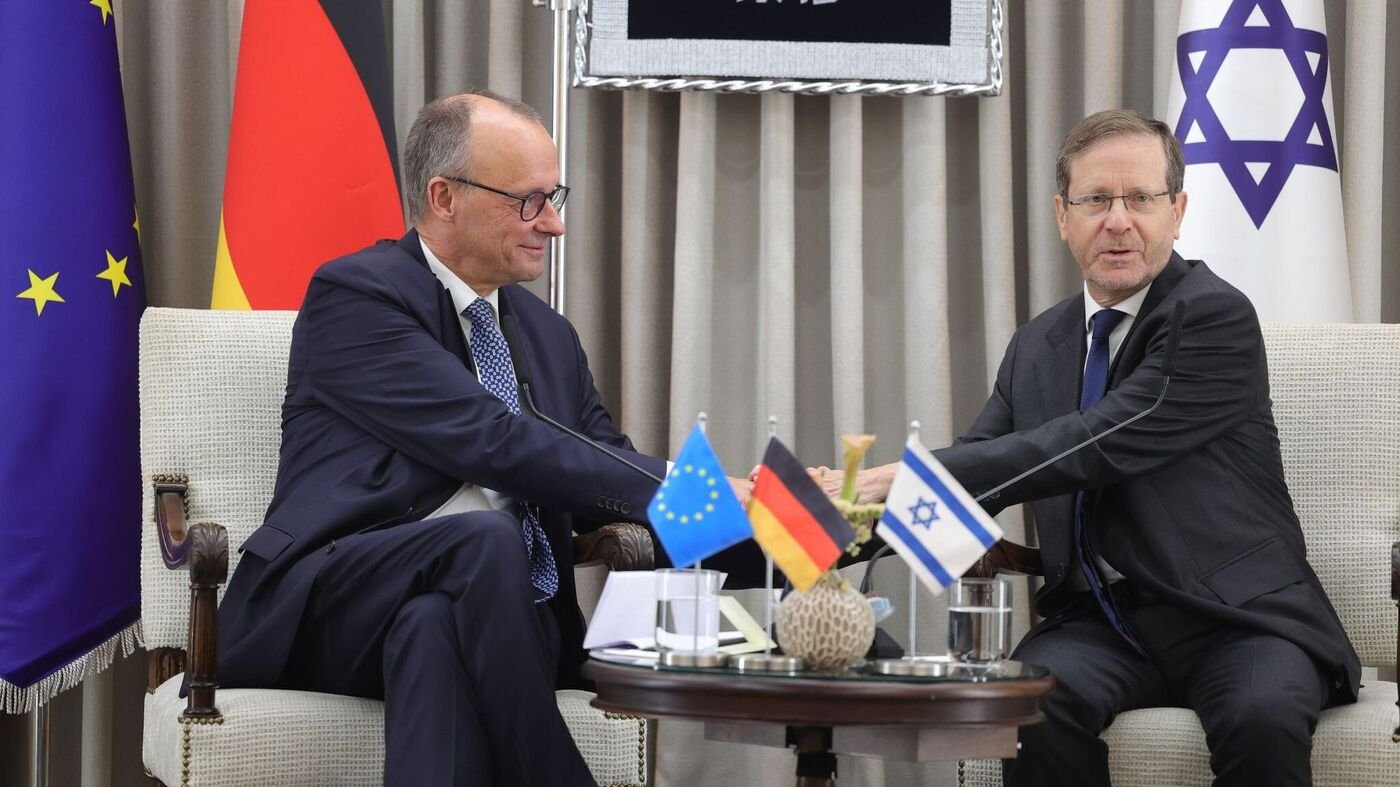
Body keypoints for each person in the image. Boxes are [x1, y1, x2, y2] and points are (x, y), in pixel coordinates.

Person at [215, 91, 751, 786]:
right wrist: (690, 487)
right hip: (333, 605)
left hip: (498, 619)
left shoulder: (551, 337)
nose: (554, 223)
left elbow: (604, 473)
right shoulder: (357, 296)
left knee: (431, 627)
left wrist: (775, 520)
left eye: (554, 197)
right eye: (529, 201)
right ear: (444, 197)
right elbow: (492, 439)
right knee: (483, 540)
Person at [826, 109, 1359, 786]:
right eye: (1097, 199)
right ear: (1062, 215)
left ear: (1177, 212)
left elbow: (1097, 440)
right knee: (1031, 706)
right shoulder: (1036, 346)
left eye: (1141, 199)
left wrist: (904, 473)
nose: (1119, 221)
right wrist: (816, 525)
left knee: (1261, 720)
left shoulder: (1213, 316)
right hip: (1100, 624)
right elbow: (976, 478)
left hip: (1237, 618)